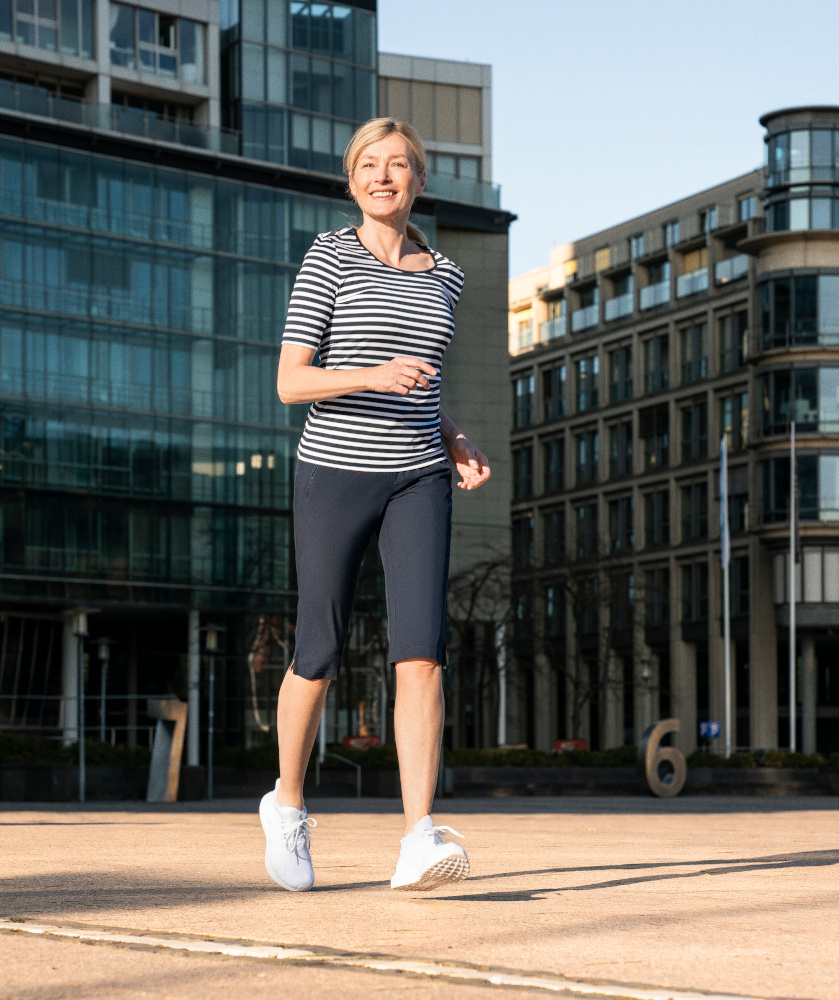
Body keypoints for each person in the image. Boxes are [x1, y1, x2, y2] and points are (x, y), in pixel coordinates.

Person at [259, 118, 491, 893]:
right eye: (369, 164)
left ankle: (418, 837)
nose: (383, 176)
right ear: (353, 179)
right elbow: (293, 381)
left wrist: (454, 437)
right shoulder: (328, 256)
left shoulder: (446, 274)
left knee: (421, 654)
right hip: (336, 470)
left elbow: (420, 377)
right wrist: (369, 374)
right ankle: (287, 805)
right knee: (318, 651)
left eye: (398, 165)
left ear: (419, 180)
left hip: (419, 474)